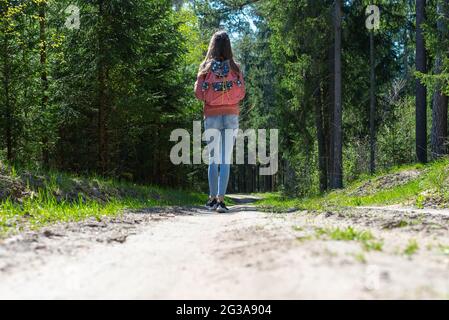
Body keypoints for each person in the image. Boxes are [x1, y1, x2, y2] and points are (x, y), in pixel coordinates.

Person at [194, 31, 246, 213]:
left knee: (213, 160)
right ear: (228, 46)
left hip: (212, 116)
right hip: (231, 116)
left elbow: (198, 93)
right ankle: (222, 202)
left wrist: (211, 98)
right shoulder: (235, 67)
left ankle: (212, 199)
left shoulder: (206, 68)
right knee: (225, 160)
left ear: (213, 46)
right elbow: (242, 93)